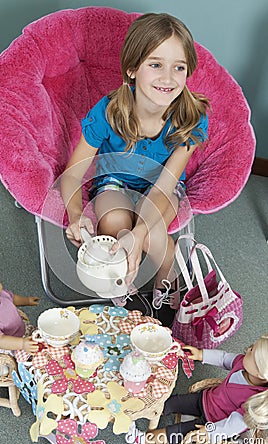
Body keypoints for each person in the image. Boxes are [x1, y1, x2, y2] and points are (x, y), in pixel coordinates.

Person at [61, 13, 210, 325]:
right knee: (116, 221)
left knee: (153, 235)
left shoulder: (191, 118)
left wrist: (140, 232)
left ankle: (165, 292)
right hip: (113, 181)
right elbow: (73, 172)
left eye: (178, 67)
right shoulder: (108, 111)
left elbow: (165, 186)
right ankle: (124, 285)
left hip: (162, 185)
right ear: (132, 69)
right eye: (155, 64)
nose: (168, 78)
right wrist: (76, 215)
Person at [125, 334, 268, 444]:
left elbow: (232, 426)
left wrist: (212, 432)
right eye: (252, 347)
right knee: (172, 401)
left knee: (177, 433)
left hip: (212, 422)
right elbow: (224, 358)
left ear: (260, 373)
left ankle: (141, 441)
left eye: (252, 352)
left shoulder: (255, 401)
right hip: (205, 399)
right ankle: (140, 410)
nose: (248, 349)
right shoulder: (241, 362)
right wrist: (202, 355)